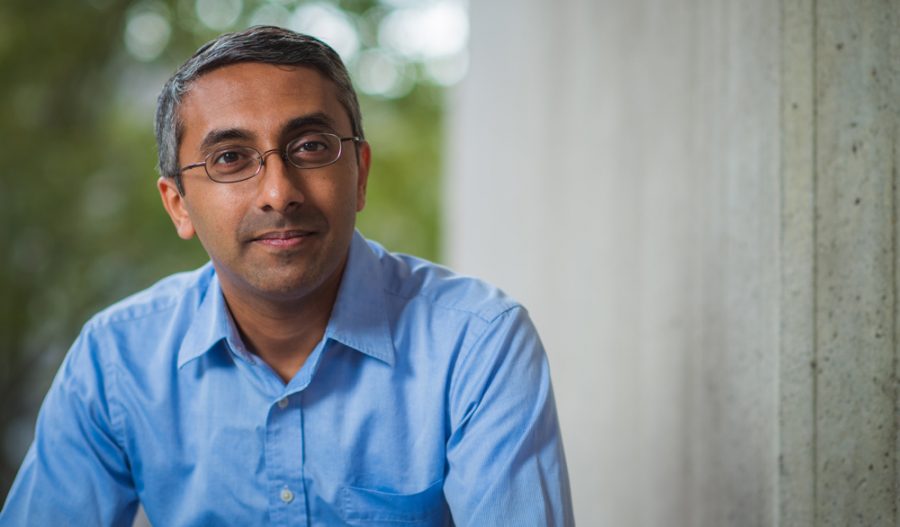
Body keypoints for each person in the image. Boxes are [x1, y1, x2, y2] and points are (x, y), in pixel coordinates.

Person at [0, 26, 573, 526]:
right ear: (178, 204)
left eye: (311, 146)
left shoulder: (477, 343)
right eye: (230, 158)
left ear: (360, 173)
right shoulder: (116, 359)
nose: (279, 193)